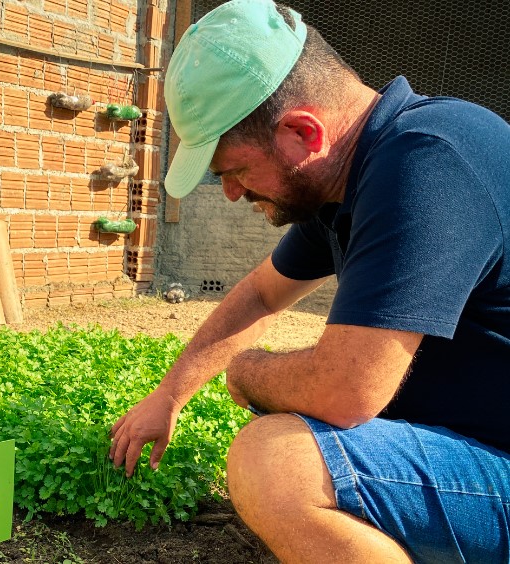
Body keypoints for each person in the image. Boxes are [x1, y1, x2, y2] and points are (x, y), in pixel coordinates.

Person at [108, 0, 510, 562]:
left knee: (276, 462)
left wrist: (247, 373)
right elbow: (260, 294)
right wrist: (170, 395)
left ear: (304, 133)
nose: (229, 193)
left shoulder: (427, 162)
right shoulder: (352, 179)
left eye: (234, 170)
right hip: (474, 442)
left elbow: (345, 391)